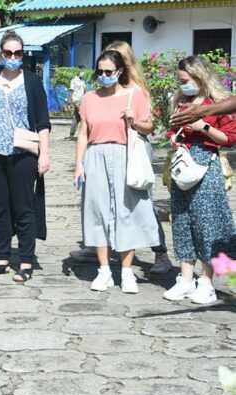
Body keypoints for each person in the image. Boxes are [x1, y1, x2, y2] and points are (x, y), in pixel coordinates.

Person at [71, 40, 173, 274]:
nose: (104, 74)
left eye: (110, 69)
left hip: (131, 150)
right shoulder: (91, 97)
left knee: (136, 205)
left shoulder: (135, 91)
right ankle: (101, 254)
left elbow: (148, 126)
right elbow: (84, 133)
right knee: (98, 206)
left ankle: (158, 251)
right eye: (101, 70)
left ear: (122, 65)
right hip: (99, 153)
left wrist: (133, 121)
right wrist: (79, 163)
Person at [0, 30, 51, 282]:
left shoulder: (33, 82)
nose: (13, 57)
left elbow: (43, 122)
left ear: (23, 54)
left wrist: (44, 154)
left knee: (23, 207)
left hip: (22, 152)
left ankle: (26, 261)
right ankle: (2, 257)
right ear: (1, 53)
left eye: (18, 53)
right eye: (8, 52)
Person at [162, 56, 236, 304]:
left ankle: (207, 282)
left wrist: (203, 125)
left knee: (208, 223)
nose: (182, 85)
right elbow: (171, 129)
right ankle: (185, 279)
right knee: (182, 220)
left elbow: (229, 139)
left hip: (206, 163)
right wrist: (172, 135)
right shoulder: (181, 100)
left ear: (200, 77)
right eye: (180, 80)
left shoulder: (219, 103)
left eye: (186, 80)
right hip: (182, 165)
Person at [67, 67, 86, 141]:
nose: (82, 72)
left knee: (76, 117)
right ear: (78, 71)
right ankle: (84, 134)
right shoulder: (74, 81)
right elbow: (71, 91)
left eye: (83, 70)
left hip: (82, 101)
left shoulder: (83, 81)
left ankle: (72, 134)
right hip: (76, 100)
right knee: (83, 115)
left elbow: (84, 91)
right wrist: (70, 100)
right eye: (81, 70)